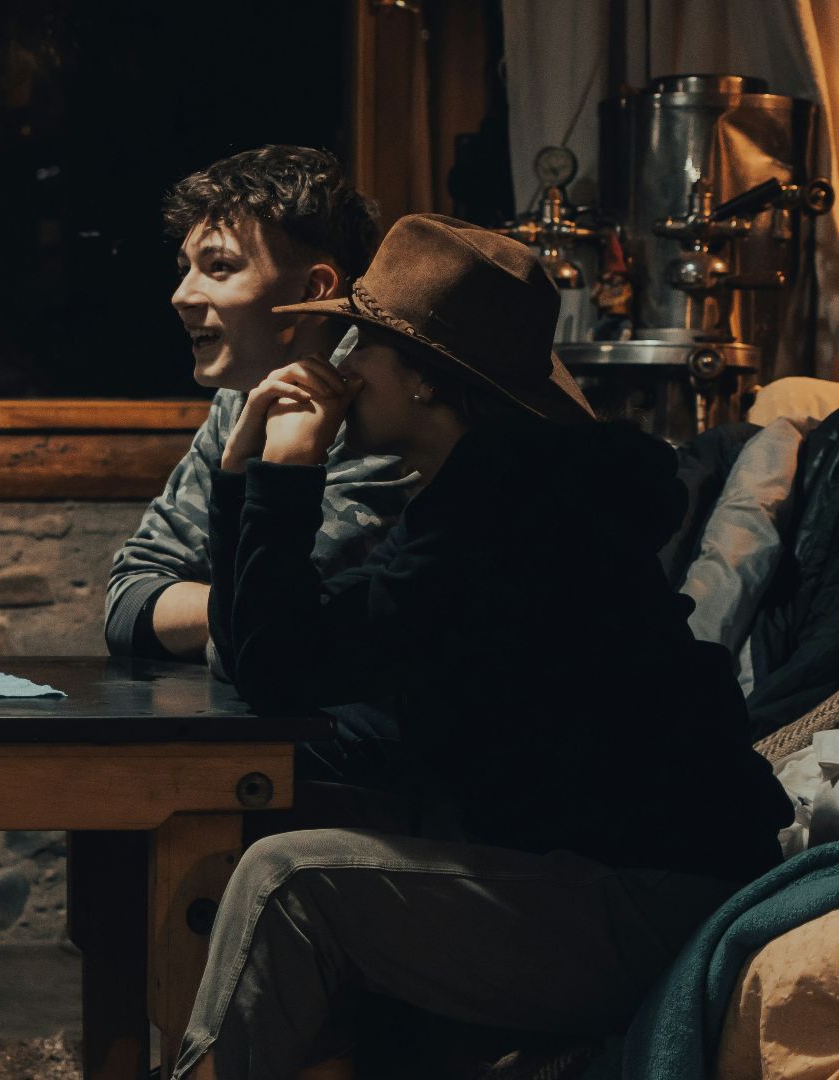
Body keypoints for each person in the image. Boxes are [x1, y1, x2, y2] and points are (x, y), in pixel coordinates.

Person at [173, 215, 793, 1080]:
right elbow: (269, 659)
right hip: (593, 870)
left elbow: (280, 670)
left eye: (364, 345)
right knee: (299, 810)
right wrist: (242, 475)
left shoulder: (512, 520)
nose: (342, 366)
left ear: (425, 380)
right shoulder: (476, 499)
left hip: (650, 899)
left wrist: (286, 473)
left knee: (289, 881)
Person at [105, 146, 416, 664]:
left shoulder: (383, 413)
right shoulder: (245, 397)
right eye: (185, 269)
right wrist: (230, 614)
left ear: (313, 290)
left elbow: (273, 644)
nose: (181, 295)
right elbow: (128, 599)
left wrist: (224, 616)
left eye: (219, 267)